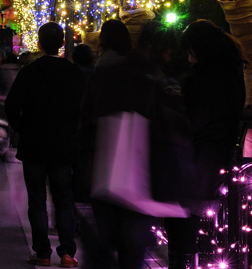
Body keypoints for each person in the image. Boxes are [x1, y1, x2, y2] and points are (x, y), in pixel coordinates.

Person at [78, 19, 192, 269]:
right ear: (156, 50)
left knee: (102, 247)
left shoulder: (106, 75)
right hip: (139, 180)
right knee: (132, 249)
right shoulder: (153, 83)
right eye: (168, 52)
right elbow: (170, 131)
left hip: (103, 175)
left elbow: (86, 122)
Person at [164, 20, 246, 269]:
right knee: (206, 233)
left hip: (193, 161)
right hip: (218, 160)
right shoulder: (232, 75)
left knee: (181, 229)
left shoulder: (201, 81)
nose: (187, 54)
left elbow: (194, 122)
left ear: (199, 49)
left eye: (189, 49)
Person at [5, 23, 85, 267]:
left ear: (39, 43)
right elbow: (82, 109)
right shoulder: (74, 73)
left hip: (34, 144)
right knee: (63, 198)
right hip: (62, 144)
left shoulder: (29, 72)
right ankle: (67, 253)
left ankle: (42, 253)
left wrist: (24, 128)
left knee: (37, 199)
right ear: (62, 43)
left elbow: (11, 106)